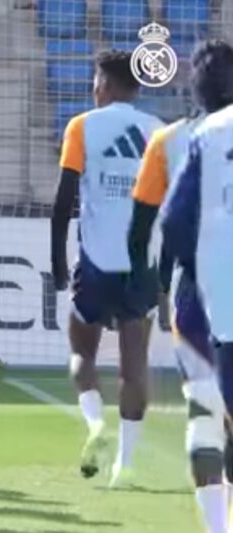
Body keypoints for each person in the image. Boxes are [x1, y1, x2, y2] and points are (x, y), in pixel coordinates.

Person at [51, 49, 164, 487]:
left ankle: (96, 423)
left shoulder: (82, 126)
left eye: (95, 81)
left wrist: (57, 260)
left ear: (105, 85)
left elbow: (64, 198)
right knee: (134, 365)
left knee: (81, 353)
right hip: (141, 265)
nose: (93, 88)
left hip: (97, 262)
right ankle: (125, 464)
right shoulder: (157, 132)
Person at [156, 39, 233, 533]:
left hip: (209, 302)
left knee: (206, 417)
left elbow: (173, 221)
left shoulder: (204, 135)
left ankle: (217, 527)